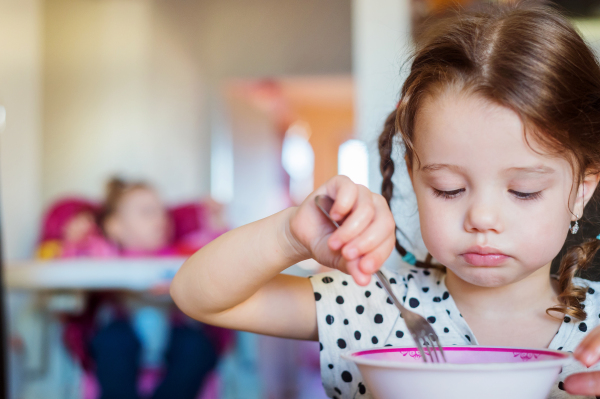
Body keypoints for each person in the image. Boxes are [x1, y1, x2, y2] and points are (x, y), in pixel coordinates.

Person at [171, 2, 600, 398]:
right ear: (414, 178)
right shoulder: (371, 305)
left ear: (582, 189)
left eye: (523, 191)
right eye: (448, 188)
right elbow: (196, 296)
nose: (482, 218)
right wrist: (289, 235)